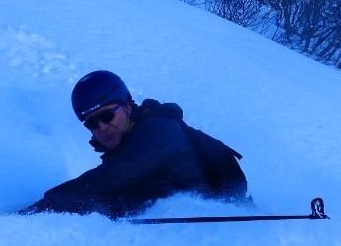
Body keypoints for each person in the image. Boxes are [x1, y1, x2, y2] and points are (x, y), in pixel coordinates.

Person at [21, 70, 249, 218]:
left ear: (128, 107)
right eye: (91, 122)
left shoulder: (161, 132)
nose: (101, 127)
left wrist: (43, 207)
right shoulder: (124, 149)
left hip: (227, 228)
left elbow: (112, 178)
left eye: (107, 116)